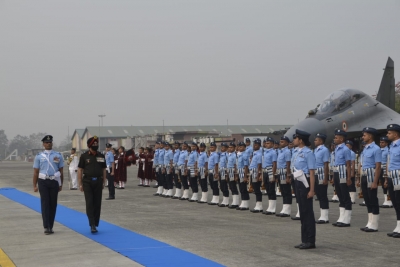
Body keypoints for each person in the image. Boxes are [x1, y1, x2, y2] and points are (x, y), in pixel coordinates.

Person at [33, 135, 64, 235]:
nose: (48, 144)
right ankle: (46, 226)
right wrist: (34, 185)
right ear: (43, 144)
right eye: (46, 142)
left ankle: (51, 225)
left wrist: (61, 184)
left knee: (53, 204)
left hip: (54, 181)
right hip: (43, 181)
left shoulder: (58, 155)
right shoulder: (39, 156)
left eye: (50, 142)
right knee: (45, 203)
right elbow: (36, 172)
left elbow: (61, 171)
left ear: (52, 143)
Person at [292, 130, 316, 249]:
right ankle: (304, 239)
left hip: (305, 182)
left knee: (307, 212)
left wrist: (311, 190)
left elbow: (312, 172)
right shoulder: (295, 152)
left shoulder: (308, 153)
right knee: (302, 211)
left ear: (300, 140)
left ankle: (310, 240)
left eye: (295, 138)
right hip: (297, 181)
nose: (294, 140)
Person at [77, 136, 106, 233]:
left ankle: (96, 223)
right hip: (87, 182)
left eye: (96, 144)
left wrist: (104, 181)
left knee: (97, 203)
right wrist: (80, 183)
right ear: (89, 145)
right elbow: (80, 170)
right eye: (93, 144)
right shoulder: (84, 156)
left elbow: (103, 169)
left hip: (98, 181)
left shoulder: (101, 156)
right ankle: (92, 224)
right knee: (89, 203)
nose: (95, 145)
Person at [358, 127, 382, 232]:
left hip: (371, 175)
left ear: (370, 136)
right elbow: (361, 165)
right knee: (367, 200)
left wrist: (375, 182)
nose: (363, 137)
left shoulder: (376, 149)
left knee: (373, 199)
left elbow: (378, 166)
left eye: (364, 135)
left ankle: (375, 224)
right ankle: (369, 222)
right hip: (364, 175)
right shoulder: (365, 148)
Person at [331, 129, 352, 228]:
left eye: (336, 137)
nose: (334, 139)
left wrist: (349, 178)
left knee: (345, 195)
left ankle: (347, 219)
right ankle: (341, 217)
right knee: (339, 194)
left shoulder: (345, 149)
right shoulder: (336, 148)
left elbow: (348, 164)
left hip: (343, 172)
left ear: (341, 139)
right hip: (336, 172)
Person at [385, 124, 400, 238]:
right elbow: (389, 163)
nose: (387, 135)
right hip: (391, 176)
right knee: (395, 201)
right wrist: (386, 178)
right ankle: (398, 226)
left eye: (389, 133)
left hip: (398, 176)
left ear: (395, 134)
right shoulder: (391, 146)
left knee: (399, 201)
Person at [313, 133, 330, 224]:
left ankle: (325, 216)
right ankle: (322, 215)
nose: (314, 141)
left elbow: (326, 165)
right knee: (319, 195)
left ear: (321, 141)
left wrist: (325, 178)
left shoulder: (324, 150)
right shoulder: (315, 150)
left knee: (323, 195)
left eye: (316, 140)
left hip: (321, 173)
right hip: (315, 173)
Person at [276, 136, 292, 217]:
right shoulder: (280, 151)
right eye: (280, 141)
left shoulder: (287, 152)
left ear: (286, 143)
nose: (280, 143)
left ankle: (287, 209)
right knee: (282, 190)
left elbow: (288, 164)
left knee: (286, 191)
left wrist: (288, 176)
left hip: (285, 172)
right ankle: (284, 208)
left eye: (282, 142)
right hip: (280, 172)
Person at [262, 137, 278, 215]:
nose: (266, 144)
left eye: (268, 143)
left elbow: (274, 164)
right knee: (267, 189)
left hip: (270, 170)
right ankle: (270, 207)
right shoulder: (265, 152)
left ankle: (273, 208)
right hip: (265, 171)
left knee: (271, 189)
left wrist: (273, 175)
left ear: (272, 144)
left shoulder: (273, 152)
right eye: (266, 143)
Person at [249, 138, 263, 212]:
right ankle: (257, 205)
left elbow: (259, 165)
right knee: (255, 189)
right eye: (254, 144)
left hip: (256, 171)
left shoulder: (259, 154)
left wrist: (258, 175)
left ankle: (259, 205)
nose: (255, 146)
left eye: (256, 145)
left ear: (259, 146)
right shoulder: (254, 153)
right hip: (252, 171)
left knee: (257, 189)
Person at [379, 136, 393, 208]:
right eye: (380, 142)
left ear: (386, 143)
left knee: (387, 184)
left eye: (383, 142)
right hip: (380, 168)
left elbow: (388, 161)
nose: (381, 144)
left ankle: (389, 200)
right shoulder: (379, 150)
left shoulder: (388, 151)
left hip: (385, 168)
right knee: (383, 185)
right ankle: (386, 200)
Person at [236, 142, 250, 210]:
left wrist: (245, 176)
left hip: (243, 173)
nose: (239, 148)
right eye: (239, 147)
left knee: (244, 189)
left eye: (241, 147)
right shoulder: (239, 155)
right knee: (241, 189)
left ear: (244, 148)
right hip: (239, 172)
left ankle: (246, 203)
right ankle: (243, 202)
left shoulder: (245, 155)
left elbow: (246, 166)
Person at [216, 143, 230, 207]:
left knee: (224, 186)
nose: (222, 149)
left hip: (224, 171)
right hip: (220, 170)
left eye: (223, 147)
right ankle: (224, 200)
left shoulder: (227, 155)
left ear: (227, 148)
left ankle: (226, 201)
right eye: (221, 147)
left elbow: (227, 164)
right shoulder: (221, 155)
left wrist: (227, 175)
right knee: (221, 186)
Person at [227, 142, 239, 208]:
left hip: (233, 172)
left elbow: (235, 165)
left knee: (233, 187)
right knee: (231, 187)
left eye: (231, 147)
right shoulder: (229, 155)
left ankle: (236, 202)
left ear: (234, 148)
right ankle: (234, 201)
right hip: (229, 171)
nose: (230, 148)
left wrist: (236, 175)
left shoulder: (234, 155)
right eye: (229, 147)